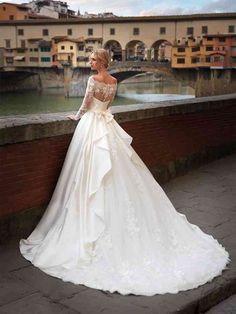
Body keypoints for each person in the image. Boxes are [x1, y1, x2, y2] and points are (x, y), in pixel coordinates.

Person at [19, 49, 230, 296]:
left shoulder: (93, 80)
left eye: (92, 60)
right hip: (107, 125)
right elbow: (106, 105)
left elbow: (86, 105)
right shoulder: (114, 81)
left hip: (91, 127)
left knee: (88, 172)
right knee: (117, 172)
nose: (90, 63)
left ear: (101, 62)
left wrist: (75, 117)